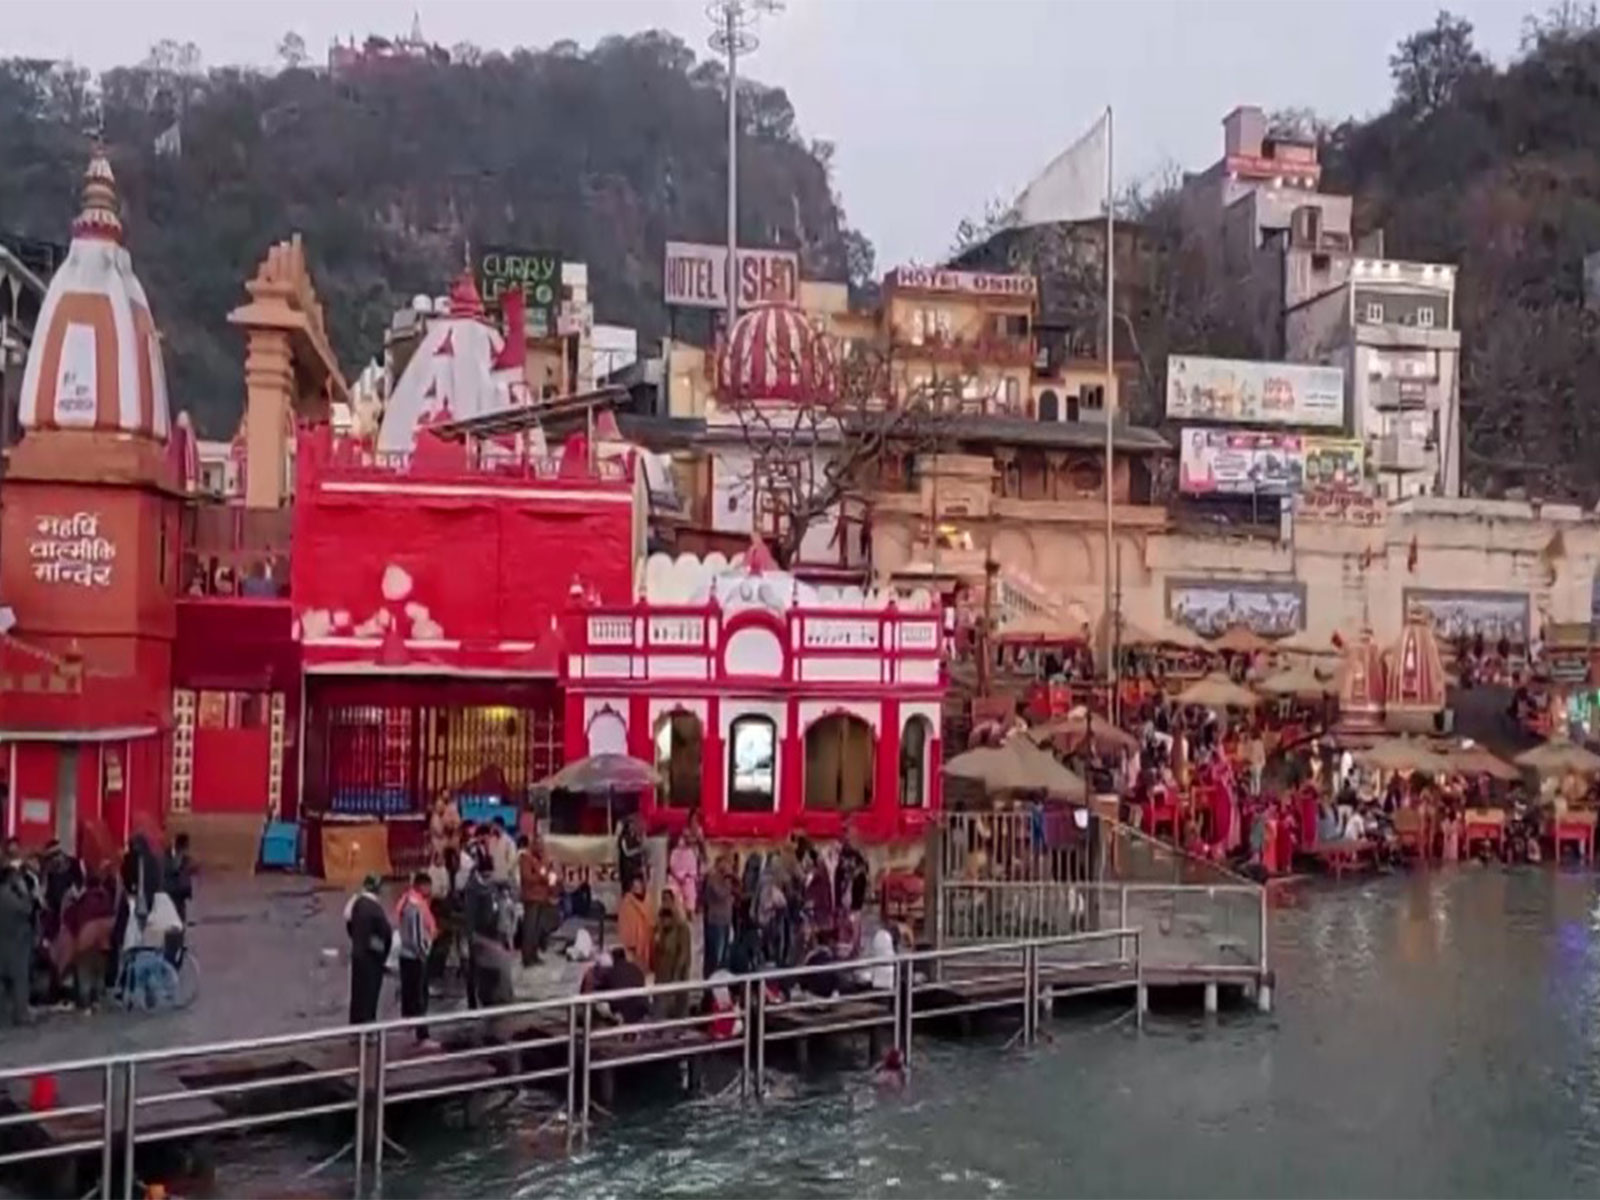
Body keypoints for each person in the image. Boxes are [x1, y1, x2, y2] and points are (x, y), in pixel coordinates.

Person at [345, 875, 392, 1025]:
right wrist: (384, 955)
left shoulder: (356, 903)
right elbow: (386, 934)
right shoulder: (376, 909)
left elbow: (349, 923)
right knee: (370, 994)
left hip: (357, 955)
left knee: (357, 993)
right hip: (372, 958)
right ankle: (367, 1026)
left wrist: (356, 939)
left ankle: (355, 1025)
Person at [395, 871, 435, 1043]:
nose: (430, 890)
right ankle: (422, 1035)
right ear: (422, 886)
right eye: (429, 887)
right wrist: (424, 953)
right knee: (420, 997)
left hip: (405, 955)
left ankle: (410, 1025)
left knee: (409, 993)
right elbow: (417, 937)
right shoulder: (417, 907)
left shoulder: (405, 901)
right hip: (416, 957)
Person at [0, 847, 35, 1026]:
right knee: (20, 980)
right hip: (16, 944)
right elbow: (27, 909)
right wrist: (24, 892)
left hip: (5, 943)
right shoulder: (9, 896)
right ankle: (21, 1014)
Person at [517, 833, 559, 967]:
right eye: (538, 844)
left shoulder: (546, 858)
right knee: (529, 928)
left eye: (542, 844)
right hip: (531, 898)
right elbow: (527, 877)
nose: (540, 847)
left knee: (538, 929)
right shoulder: (525, 857)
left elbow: (551, 874)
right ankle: (527, 957)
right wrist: (542, 877)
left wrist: (551, 882)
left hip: (543, 897)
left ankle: (534, 955)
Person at [652, 888, 693, 1017]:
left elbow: (684, 954)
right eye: (663, 899)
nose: (666, 903)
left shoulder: (682, 927)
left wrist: (676, 976)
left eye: (668, 899)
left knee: (679, 1009)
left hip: (677, 975)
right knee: (660, 1010)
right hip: (662, 974)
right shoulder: (659, 924)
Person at [702, 853, 735, 979]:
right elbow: (720, 893)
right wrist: (727, 881)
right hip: (715, 921)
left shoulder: (728, 879)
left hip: (726, 921)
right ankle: (710, 981)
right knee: (715, 955)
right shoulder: (713, 878)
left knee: (724, 955)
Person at [618, 874, 654, 973]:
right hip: (633, 943)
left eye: (639, 885)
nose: (637, 888)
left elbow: (651, 918)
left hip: (646, 940)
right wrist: (630, 942)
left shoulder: (648, 900)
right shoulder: (627, 902)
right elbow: (623, 924)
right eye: (634, 886)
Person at [667, 833, 701, 918]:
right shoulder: (675, 852)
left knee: (690, 895)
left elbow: (693, 869)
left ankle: (690, 914)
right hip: (675, 881)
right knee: (674, 895)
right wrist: (679, 877)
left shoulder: (691, 853)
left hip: (688, 880)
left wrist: (687, 876)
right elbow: (672, 866)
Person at [164, 833, 195, 925]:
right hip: (175, 888)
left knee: (180, 907)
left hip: (179, 888)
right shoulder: (176, 854)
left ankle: (180, 923)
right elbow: (175, 868)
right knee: (177, 908)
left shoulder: (180, 855)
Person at [616, 813, 646, 894]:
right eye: (631, 825)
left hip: (635, 867)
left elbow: (641, 848)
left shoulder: (636, 837)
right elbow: (627, 852)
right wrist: (638, 850)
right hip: (627, 868)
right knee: (627, 888)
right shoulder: (623, 839)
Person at [485, 819, 517, 886]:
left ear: (499, 826)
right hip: (494, 877)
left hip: (505, 878)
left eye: (494, 826)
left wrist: (506, 872)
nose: (492, 828)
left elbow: (512, 860)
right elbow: (490, 856)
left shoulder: (509, 841)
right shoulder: (492, 840)